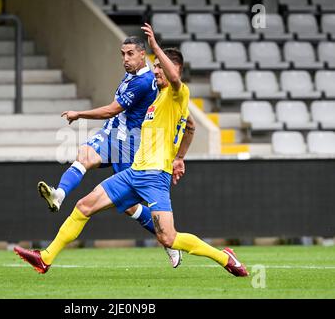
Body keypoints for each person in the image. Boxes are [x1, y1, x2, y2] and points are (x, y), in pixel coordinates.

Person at [15, 23, 248, 277]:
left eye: (159, 67)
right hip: (134, 172)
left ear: (174, 70)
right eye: (155, 66)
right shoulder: (157, 100)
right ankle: (45, 258)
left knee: (169, 237)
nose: (155, 72)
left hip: (155, 177)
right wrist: (180, 157)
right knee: (84, 206)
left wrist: (155, 47)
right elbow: (190, 127)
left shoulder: (177, 95)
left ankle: (223, 257)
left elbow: (175, 82)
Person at [38, 36, 183, 267]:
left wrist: (79, 114)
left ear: (142, 54)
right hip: (111, 135)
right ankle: (59, 195)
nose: (125, 59)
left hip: (129, 146)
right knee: (83, 155)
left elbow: (111, 110)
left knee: (129, 206)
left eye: (130, 54)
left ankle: (167, 241)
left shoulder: (144, 81)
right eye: (122, 54)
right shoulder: (132, 74)